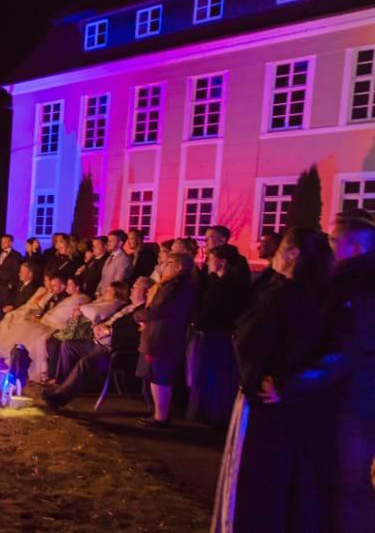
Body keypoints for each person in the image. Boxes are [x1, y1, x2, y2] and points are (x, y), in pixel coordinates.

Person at [254, 211, 375, 532]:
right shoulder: (358, 279)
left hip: (356, 399)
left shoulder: (355, 284)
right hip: (360, 394)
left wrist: (290, 385)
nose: (326, 246)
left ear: (353, 246)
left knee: (348, 486)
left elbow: (344, 350)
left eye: (332, 240)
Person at [212, 228, 335, 532]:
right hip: (293, 400)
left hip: (265, 401)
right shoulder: (318, 293)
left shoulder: (282, 294)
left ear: (292, 254)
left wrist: (261, 381)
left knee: (254, 479)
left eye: (281, 248)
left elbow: (251, 340)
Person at [43, 278, 150, 409]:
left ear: (146, 291)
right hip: (97, 341)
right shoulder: (126, 306)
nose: (132, 289)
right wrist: (99, 326)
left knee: (85, 363)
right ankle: (62, 385)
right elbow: (109, 320)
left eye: (136, 287)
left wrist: (110, 331)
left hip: (111, 349)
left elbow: (134, 334)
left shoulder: (144, 312)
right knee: (68, 345)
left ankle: (60, 398)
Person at [186, 245, 247, 427]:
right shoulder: (213, 281)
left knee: (216, 375)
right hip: (209, 332)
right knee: (206, 373)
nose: (207, 263)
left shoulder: (230, 285)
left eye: (211, 258)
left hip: (219, 334)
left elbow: (219, 310)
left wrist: (201, 321)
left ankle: (215, 415)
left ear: (222, 261)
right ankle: (206, 413)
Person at [135, 252, 197, 428]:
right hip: (159, 334)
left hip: (162, 336)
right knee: (156, 376)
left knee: (160, 376)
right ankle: (159, 413)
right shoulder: (174, 285)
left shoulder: (175, 286)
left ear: (179, 267)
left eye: (168, 263)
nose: (164, 266)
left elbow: (159, 310)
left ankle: (161, 416)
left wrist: (138, 315)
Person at [46, 280, 129, 384]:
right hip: (82, 328)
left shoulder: (114, 303)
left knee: (58, 342)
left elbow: (94, 313)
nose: (105, 292)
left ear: (117, 294)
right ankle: (58, 378)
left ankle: (61, 381)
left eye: (108, 291)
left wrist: (81, 309)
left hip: (88, 332)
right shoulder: (103, 300)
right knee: (54, 341)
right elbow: (89, 307)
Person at [0, 235, 23, 325]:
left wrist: (11, 285)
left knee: (6, 308)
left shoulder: (16, 255)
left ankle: (5, 329)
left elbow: (16, 271)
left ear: (11, 243)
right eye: (2, 242)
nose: (2, 244)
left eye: (5, 242)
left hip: (7, 286)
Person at [249, 229, 280, 305]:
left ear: (274, 246)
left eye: (263, 243)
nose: (258, 247)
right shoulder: (270, 270)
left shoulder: (275, 272)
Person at [97, 230, 131, 295]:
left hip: (112, 296)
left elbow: (118, 281)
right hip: (103, 294)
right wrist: (98, 291)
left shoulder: (124, 259)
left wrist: (107, 294)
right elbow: (103, 277)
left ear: (120, 243)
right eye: (108, 240)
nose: (108, 243)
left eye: (111, 241)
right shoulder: (109, 257)